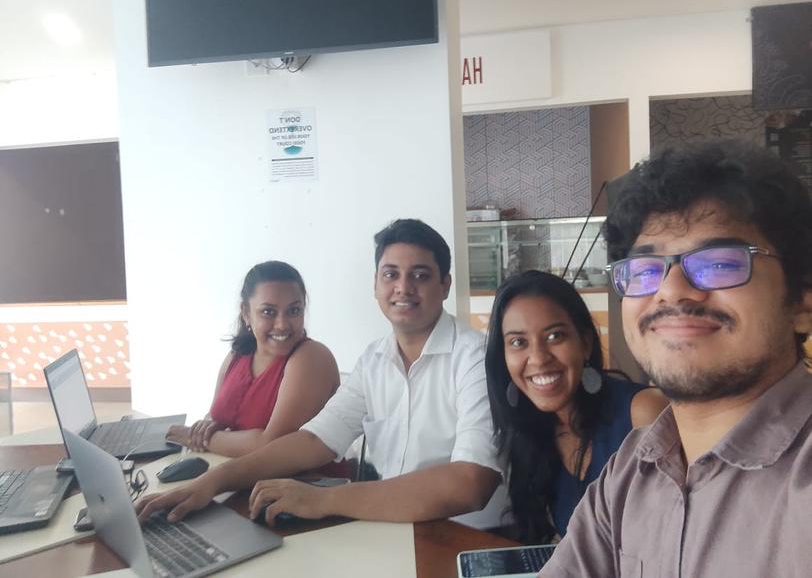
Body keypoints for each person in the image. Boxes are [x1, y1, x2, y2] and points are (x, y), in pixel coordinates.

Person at [540, 140, 812, 577]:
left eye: (719, 263)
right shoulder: (632, 469)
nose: (671, 290)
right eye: (644, 271)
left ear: (801, 301)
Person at [138, 219, 501, 525]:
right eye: (391, 274)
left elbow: (470, 483)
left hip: (463, 538)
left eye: (419, 275)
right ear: (375, 284)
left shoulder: (474, 358)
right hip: (389, 527)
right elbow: (315, 440)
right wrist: (213, 481)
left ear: (445, 285)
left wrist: (325, 499)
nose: (403, 288)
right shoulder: (375, 359)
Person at [485, 270, 667, 543]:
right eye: (518, 342)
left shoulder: (642, 413)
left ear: (585, 343)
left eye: (554, 336)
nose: (538, 358)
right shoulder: (530, 430)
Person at [165, 261, 341, 458]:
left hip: (302, 477)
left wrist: (194, 436)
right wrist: (207, 428)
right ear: (246, 313)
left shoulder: (312, 357)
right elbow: (214, 418)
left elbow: (272, 445)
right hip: (230, 470)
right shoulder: (237, 356)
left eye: (294, 311)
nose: (282, 324)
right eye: (268, 312)